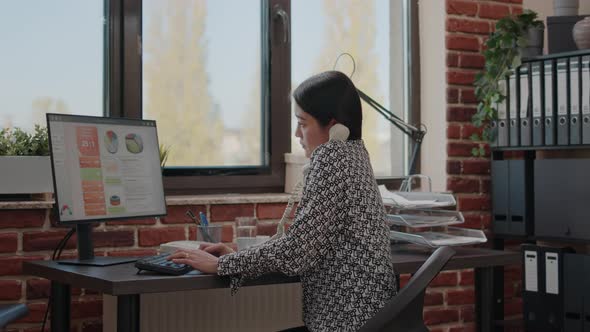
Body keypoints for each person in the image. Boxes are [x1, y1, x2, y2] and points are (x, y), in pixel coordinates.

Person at [168, 70, 397, 331]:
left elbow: (297, 252)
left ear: (335, 128)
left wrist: (224, 264)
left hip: (345, 324)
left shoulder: (332, 157)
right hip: (368, 320)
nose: (297, 134)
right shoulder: (355, 154)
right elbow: (305, 245)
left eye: (302, 123)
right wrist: (239, 256)